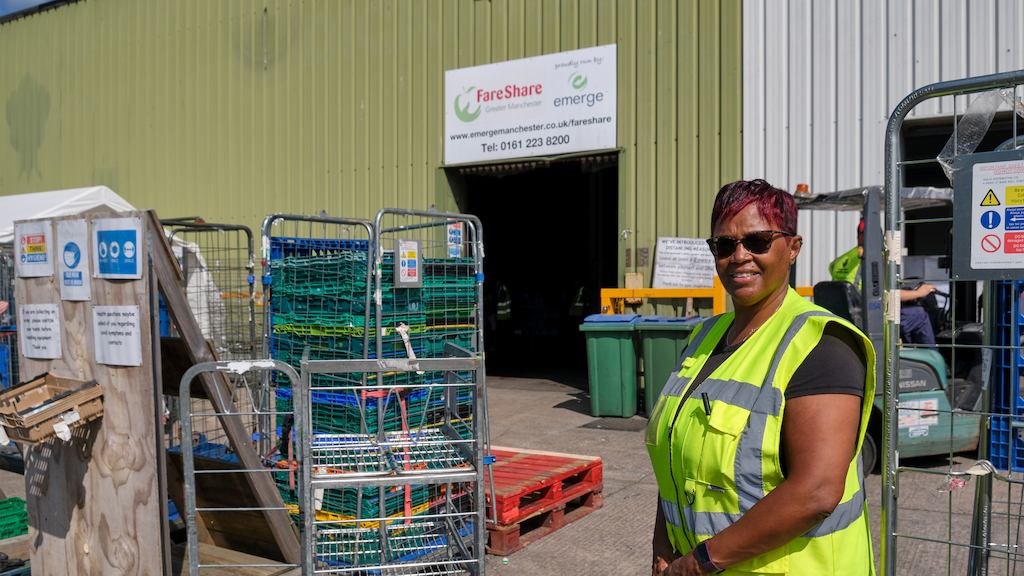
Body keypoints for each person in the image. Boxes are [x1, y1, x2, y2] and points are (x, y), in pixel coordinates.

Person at [647, 179, 875, 575]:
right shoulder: (704, 338)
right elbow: (676, 462)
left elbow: (816, 492)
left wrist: (698, 563)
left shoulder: (822, 347)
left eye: (757, 241)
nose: (739, 256)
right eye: (724, 245)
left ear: (793, 248)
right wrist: (663, 545)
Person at [829, 218, 937, 345]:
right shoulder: (872, 260)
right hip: (868, 318)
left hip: (846, 316)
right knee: (919, 315)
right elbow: (889, 294)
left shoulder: (839, 261)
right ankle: (933, 356)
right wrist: (919, 293)